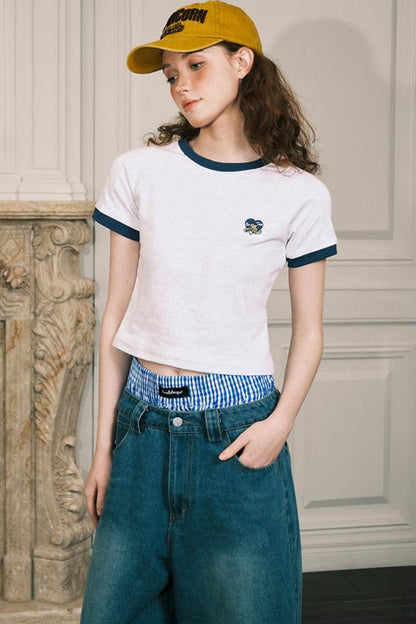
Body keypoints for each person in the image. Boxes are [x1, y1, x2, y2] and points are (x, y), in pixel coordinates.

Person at [80, 2, 337, 623]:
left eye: (196, 65)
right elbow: (116, 315)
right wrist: (104, 448)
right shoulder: (139, 173)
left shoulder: (298, 193)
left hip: (234, 436)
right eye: (172, 74)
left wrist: (279, 425)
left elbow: (310, 331)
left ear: (243, 62)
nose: (182, 85)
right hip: (140, 432)